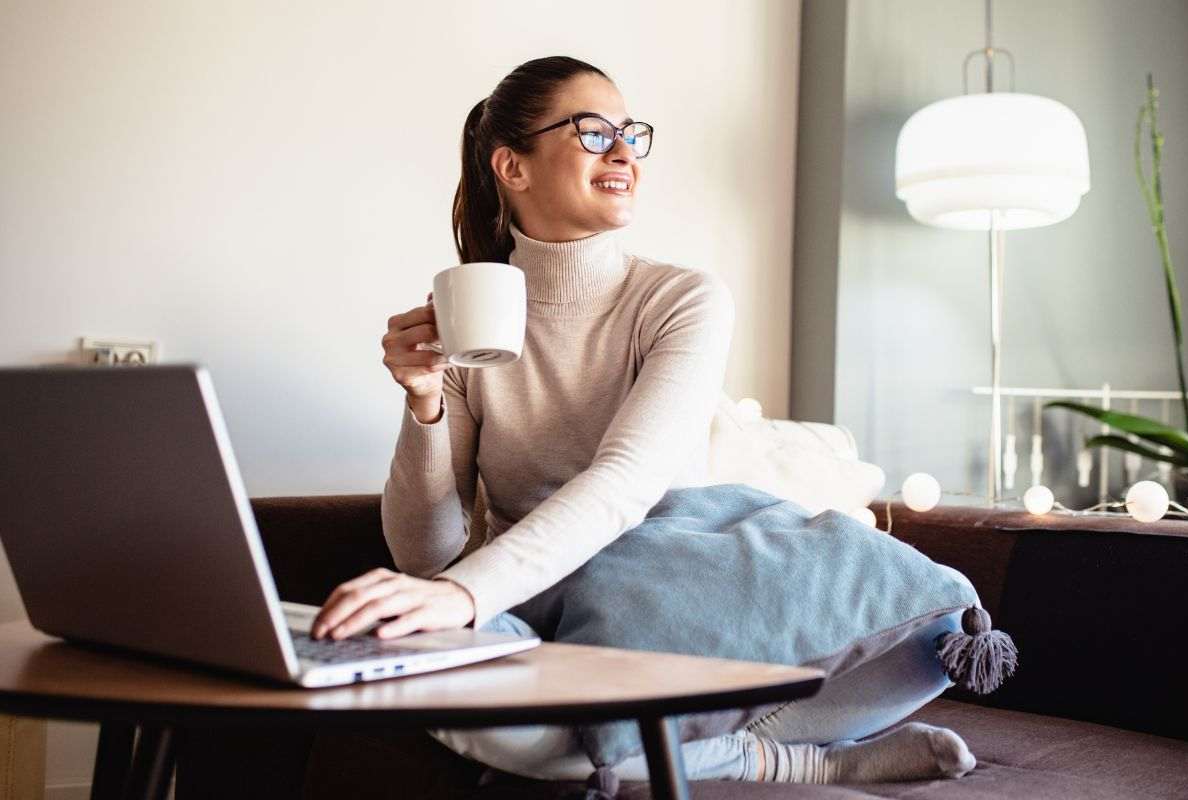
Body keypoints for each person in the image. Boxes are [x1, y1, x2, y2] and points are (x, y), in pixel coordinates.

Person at [308, 55, 977, 785]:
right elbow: (424, 555)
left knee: (934, 634)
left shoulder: (680, 298)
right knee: (384, 652)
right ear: (513, 167)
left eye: (631, 133)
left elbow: (627, 481)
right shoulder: (470, 319)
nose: (625, 151)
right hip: (540, 618)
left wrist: (463, 594)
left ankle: (720, 749)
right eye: (594, 133)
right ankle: (779, 762)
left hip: (683, 599)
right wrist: (424, 402)